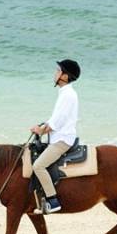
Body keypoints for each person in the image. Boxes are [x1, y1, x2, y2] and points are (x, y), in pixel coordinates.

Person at [29, 59, 80, 214]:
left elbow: (58, 122)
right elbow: (54, 119)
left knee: (38, 165)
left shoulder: (68, 95)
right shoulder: (64, 93)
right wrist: (42, 126)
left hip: (62, 140)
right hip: (58, 137)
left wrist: (42, 130)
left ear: (65, 76)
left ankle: (53, 201)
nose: (55, 73)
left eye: (58, 71)